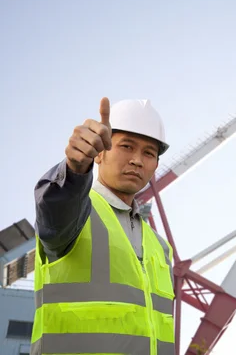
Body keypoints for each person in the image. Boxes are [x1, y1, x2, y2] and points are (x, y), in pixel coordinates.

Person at [31, 97, 176, 355]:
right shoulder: (75, 214)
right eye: (126, 146)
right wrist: (74, 169)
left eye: (148, 153)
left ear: (156, 165)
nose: (137, 160)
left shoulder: (160, 248)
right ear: (99, 153)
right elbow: (56, 205)